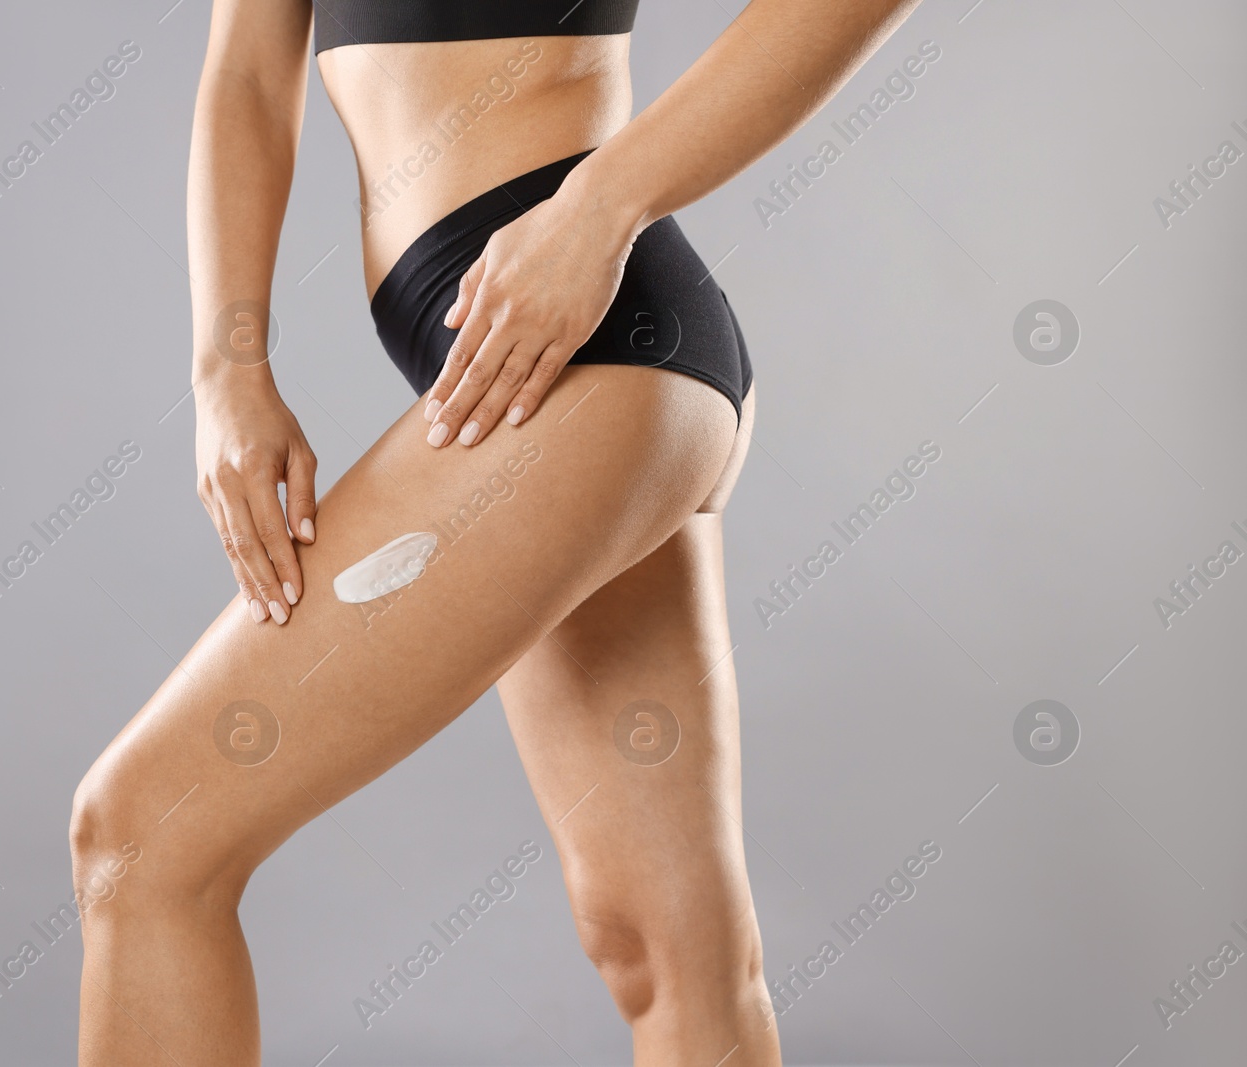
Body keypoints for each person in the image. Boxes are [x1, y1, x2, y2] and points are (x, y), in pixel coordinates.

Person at [72, 1, 920, 1062]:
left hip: (587, 350)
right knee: (662, 954)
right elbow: (246, 72)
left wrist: (603, 204)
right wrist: (227, 368)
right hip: (537, 369)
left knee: (141, 835)